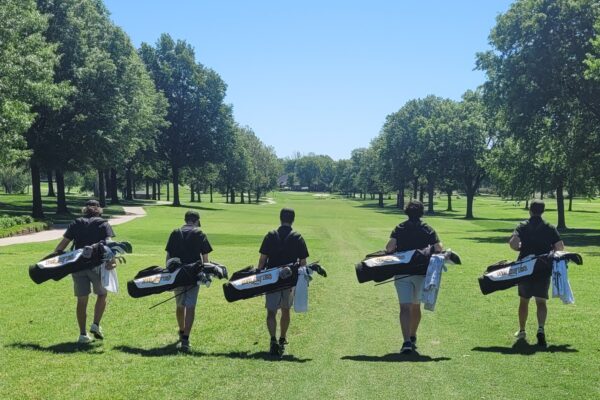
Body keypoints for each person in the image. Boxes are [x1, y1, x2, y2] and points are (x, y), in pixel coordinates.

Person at [54, 199, 116, 343]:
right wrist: (112, 261)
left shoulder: (76, 222)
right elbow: (110, 244)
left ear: (85, 209)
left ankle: (82, 334)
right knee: (102, 294)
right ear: (99, 209)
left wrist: (54, 260)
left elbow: (62, 245)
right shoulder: (103, 223)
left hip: (77, 265)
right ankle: (95, 324)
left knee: (82, 300)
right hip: (96, 265)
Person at [385, 200, 442, 354]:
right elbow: (438, 249)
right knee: (416, 306)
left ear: (407, 212)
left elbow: (389, 247)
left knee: (404, 307)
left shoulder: (400, 228)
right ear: (421, 212)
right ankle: (413, 335)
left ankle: (406, 341)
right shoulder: (428, 229)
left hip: (402, 272)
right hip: (421, 273)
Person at [509, 199, 564, 347]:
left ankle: (522, 330)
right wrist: (550, 250)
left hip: (525, 268)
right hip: (543, 268)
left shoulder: (522, 226)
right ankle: (540, 328)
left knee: (524, 301)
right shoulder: (549, 227)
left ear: (530, 210)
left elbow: (513, 243)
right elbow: (560, 247)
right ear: (543, 211)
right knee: (541, 301)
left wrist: (521, 248)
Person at [257, 208, 309, 357]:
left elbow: (262, 260)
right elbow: (303, 262)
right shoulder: (297, 237)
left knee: (271, 311)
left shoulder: (270, 235)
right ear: (293, 220)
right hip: (289, 281)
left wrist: (259, 277)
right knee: (286, 310)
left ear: (280, 218)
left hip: (271, 279)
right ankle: (282, 339)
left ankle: (272, 339)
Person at [165, 210, 212, 352]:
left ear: (185, 220)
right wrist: (206, 274)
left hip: (177, 275)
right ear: (196, 221)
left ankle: (181, 330)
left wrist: (168, 275)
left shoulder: (175, 232)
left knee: (180, 305)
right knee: (190, 306)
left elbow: (168, 256)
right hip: (193, 275)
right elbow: (205, 259)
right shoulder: (200, 233)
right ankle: (186, 338)